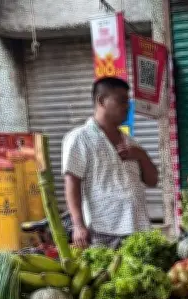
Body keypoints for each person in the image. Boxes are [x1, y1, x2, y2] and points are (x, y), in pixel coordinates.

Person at [62, 77, 159, 249]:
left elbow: (152, 181)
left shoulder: (131, 142)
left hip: (138, 227)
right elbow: (72, 182)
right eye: (122, 101)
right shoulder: (80, 138)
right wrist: (78, 225)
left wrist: (141, 155)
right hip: (104, 231)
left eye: (127, 101)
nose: (127, 106)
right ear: (101, 101)